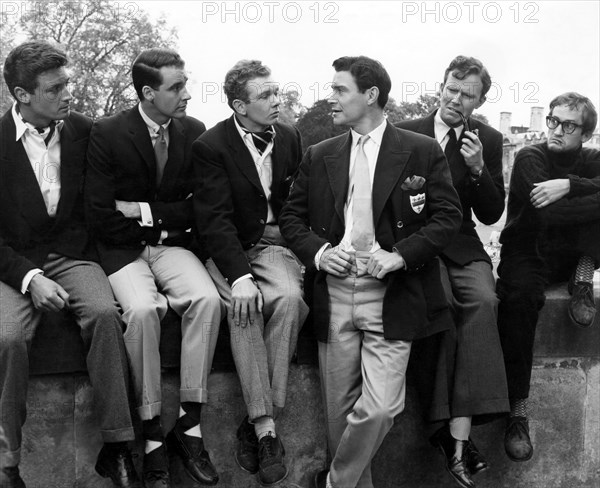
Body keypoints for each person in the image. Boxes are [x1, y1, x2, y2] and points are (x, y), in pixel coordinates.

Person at [279, 55, 462, 488]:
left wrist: (401, 254)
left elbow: (447, 218)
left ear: (372, 95)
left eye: (340, 89)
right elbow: (291, 219)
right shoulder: (319, 154)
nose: (332, 98)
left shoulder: (420, 150)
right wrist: (321, 253)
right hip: (336, 294)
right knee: (338, 415)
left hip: (392, 295)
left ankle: (334, 482)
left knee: (381, 408)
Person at [0, 41, 139, 488]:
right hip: (14, 264)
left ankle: (118, 447)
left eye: (68, 83)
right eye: (55, 88)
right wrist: (28, 278)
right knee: (7, 337)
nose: (67, 94)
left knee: (103, 314)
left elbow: (98, 206)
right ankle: (7, 463)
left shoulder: (83, 130)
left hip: (73, 255)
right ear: (22, 95)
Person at [85, 48, 222, 487]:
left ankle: (189, 424)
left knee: (206, 300)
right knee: (143, 312)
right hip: (122, 252)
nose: (186, 93)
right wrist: (164, 216)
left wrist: (144, 212)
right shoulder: (106, 133)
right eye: (176, 87)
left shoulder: (194, 131)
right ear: (148, 92)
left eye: (185, 83)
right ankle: (150, 434)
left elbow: (198, 208)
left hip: (172, 247)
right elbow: (101, 213)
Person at [192, 59, 309, 486]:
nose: (277, 101)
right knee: (244, 308)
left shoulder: (291, 137)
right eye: (266, 96)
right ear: (240, 106)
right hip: (230, 248)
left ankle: (257, 418)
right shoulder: (211, 146)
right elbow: (214, 221)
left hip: (276, 244)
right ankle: (265, 428)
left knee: (291, 300)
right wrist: (239, 277)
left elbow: (297, 203)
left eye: (276, 92)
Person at [396, 55, 509, 487]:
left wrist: (480, 169)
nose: (456, 100)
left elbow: (492, 212)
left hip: (462, 243)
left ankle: (456, 432)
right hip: (418, 244)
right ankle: (449, 437)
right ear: (440, 86)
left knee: (483, 302)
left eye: (468, 95)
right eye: (451, 90)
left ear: (480, 100)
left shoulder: (489, 140)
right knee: (439, 307)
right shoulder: (407, 133)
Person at [497, 92, 600, 463]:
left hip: (571, 253)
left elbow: (563, 207)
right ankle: (517, 412)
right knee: (518, 303)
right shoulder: (529, 156)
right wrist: (588, 190)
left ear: (586, 134)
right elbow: (548, 216)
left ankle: (583, 277)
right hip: (528, 250)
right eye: (552, 121)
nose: (556, 130)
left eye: (568, 125)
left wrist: (570, 185)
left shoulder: (593, 158)